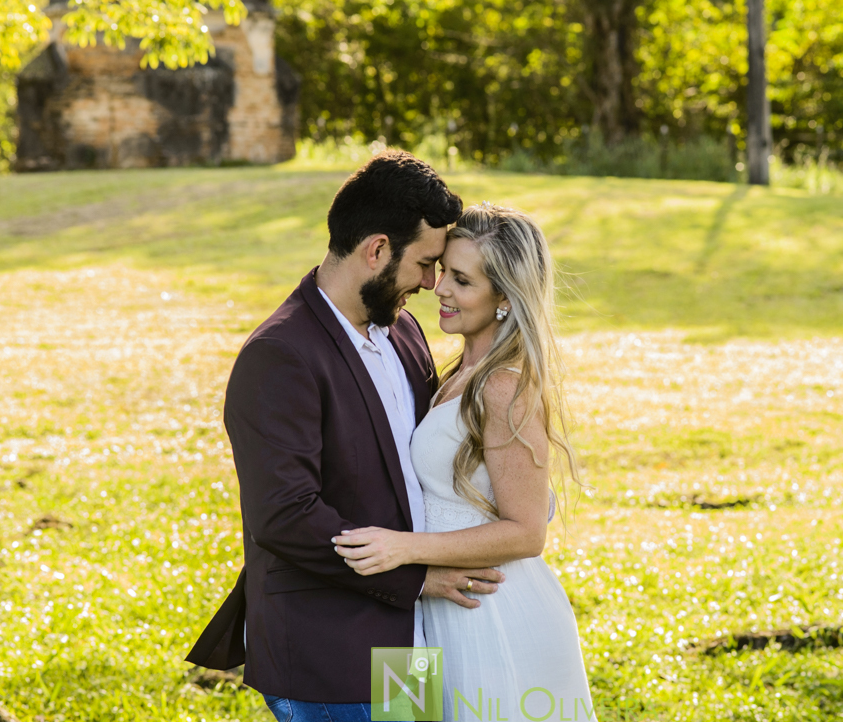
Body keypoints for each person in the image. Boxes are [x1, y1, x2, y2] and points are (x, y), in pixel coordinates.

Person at [186, 152, 507, 722]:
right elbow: (285, 515)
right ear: (377, 250)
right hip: (328, 647)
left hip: (411, 638)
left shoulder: (401, 328)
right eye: (426, 263)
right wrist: (419, 576)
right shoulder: (279, 356)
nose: (433, 284)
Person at [333, 204, 596, 722]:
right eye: (442, 272)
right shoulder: (456, 372)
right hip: (424, 605)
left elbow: (526, 533)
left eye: (461, 279)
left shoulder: (503, 387)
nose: (440, 289)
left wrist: (405, 550)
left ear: (504, 297)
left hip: (487, 615)